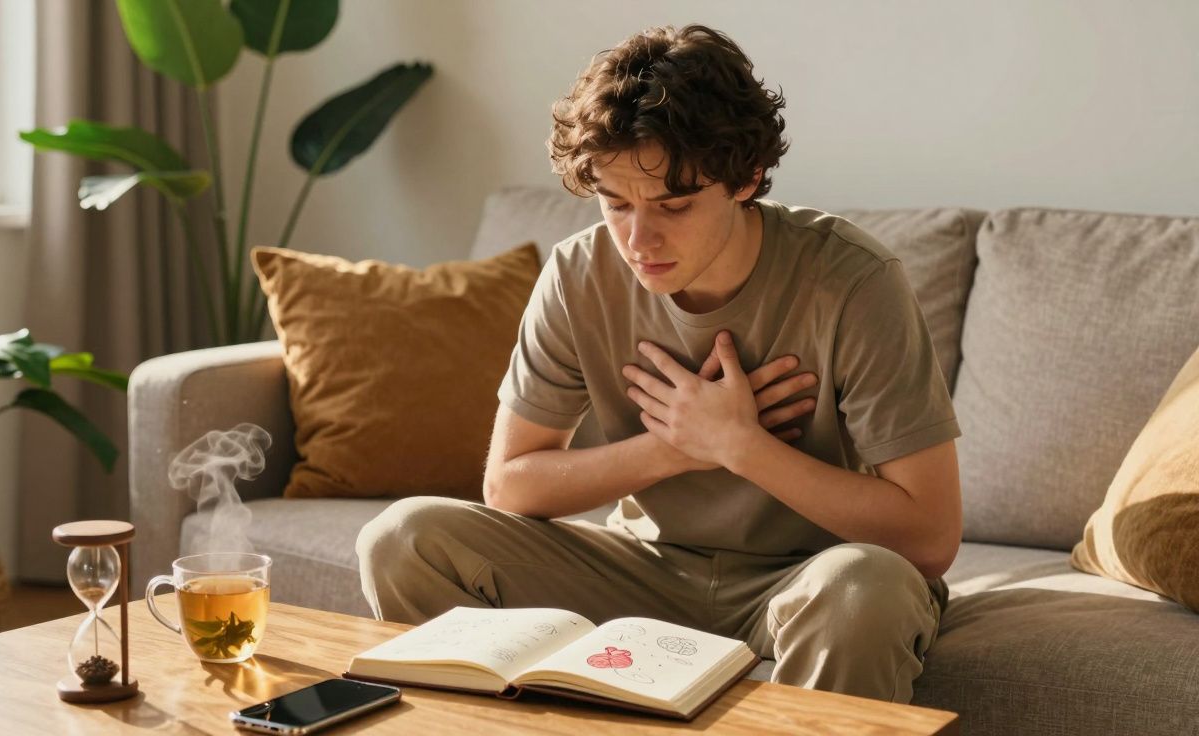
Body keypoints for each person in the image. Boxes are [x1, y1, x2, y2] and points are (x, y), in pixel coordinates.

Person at [357, 24, 961, 704]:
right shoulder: (579, 273)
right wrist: (676, 447)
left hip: (808, 577)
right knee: (404, 538)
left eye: (673, 206)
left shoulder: (853, 281)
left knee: (861, 592)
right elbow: (511, 486)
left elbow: (930, 537)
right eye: (616, 204)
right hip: (645, 570)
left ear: (747, 179)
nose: (639, 240)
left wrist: (740, 445)